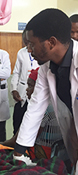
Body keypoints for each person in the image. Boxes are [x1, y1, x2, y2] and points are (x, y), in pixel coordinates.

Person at [13, 8, 78, 173]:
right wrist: (19, 151)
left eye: (31, 44)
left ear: (51, 42)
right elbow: (36, 106)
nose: (29, 49)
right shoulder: (46, 67)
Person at [4, 68, 62, 160]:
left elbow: (16, 141)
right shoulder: (58, 104)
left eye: (30, 86)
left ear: (40, 87)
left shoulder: (43, 110)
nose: (27, 89)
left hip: (43, 153)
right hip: (59, 153)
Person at [11, 29, 39, 135]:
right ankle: (14, 145)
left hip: (35, 92)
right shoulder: (21, 53)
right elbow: (16, 73)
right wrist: (14, 89)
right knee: (17, 122)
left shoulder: (40, 52)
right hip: (22, 93)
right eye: (25, 42)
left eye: (29, 42)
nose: (27, 45)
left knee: (32, 123)